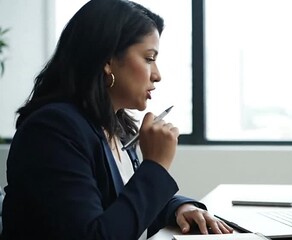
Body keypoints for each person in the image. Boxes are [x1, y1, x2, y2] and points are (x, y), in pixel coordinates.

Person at [1, 1, 233, 239]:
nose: (157, 75)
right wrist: (155, 166)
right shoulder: (53, 130)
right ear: (108, 60)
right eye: (149, 58)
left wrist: (180, 207)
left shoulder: (113, 124)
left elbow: (123, 204)